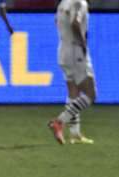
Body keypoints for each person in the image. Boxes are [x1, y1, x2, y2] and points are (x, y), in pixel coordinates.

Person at [48, 0, 95, 145]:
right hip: (76, 52)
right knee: (90, 95)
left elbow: (57, 21)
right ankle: (59, 121)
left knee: (73, 93)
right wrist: (82, 44)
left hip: (63, 50)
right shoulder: (80, 3)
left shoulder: (63, 3)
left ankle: (75, 134)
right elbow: (75, 23)